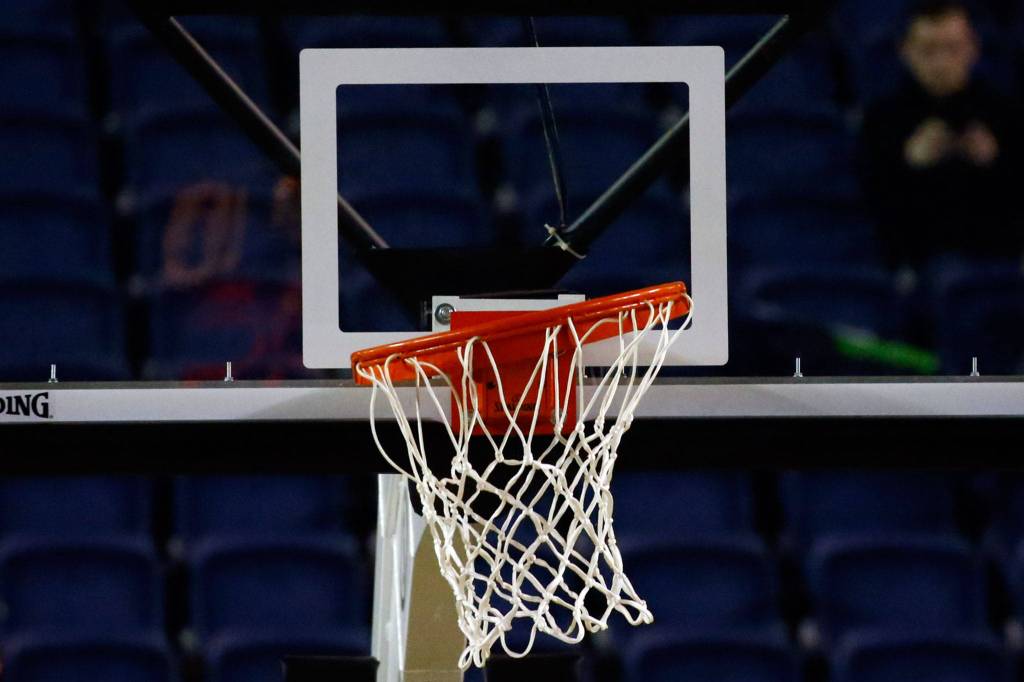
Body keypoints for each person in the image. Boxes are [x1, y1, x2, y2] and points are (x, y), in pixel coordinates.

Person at [859, 0, 1023, 270]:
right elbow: (870, 209)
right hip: (914, 264)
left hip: (998, 261)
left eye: (952, 48)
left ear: (973, 48)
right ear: (905, 51)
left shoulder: (1005, 114)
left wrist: (995, 160)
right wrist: (908, 163)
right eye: (928, 50)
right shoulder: (882, 120)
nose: (941, 63)